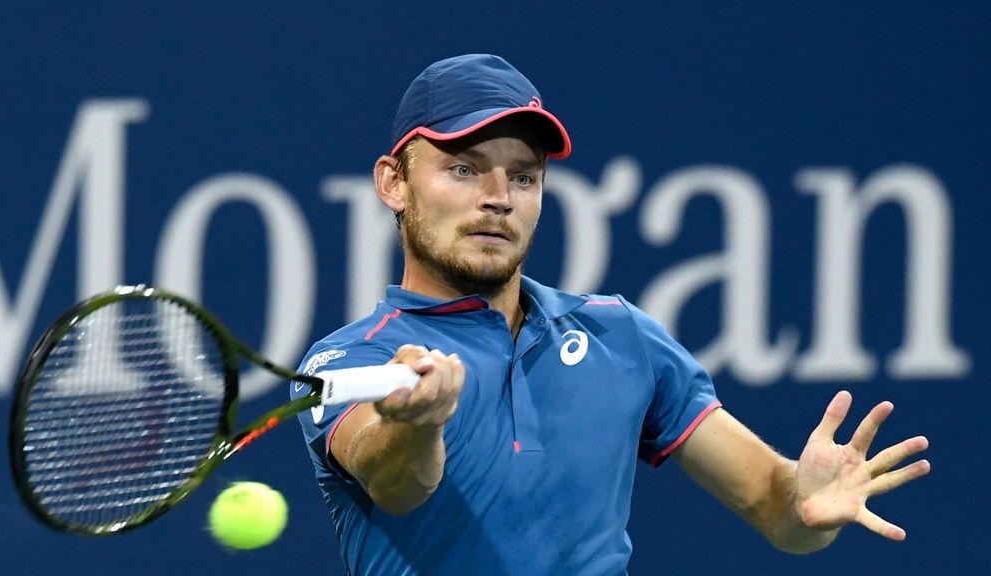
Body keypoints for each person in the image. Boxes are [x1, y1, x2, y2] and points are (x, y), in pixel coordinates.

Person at [292, 54, 930, 575]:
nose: (497, 199)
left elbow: (774, 508)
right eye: (463, 168)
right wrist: (417, 424)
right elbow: (398, 485)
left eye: (523, 177)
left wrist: (805, 505)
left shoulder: (620, 335)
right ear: (393, 183)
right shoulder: (347, 361)